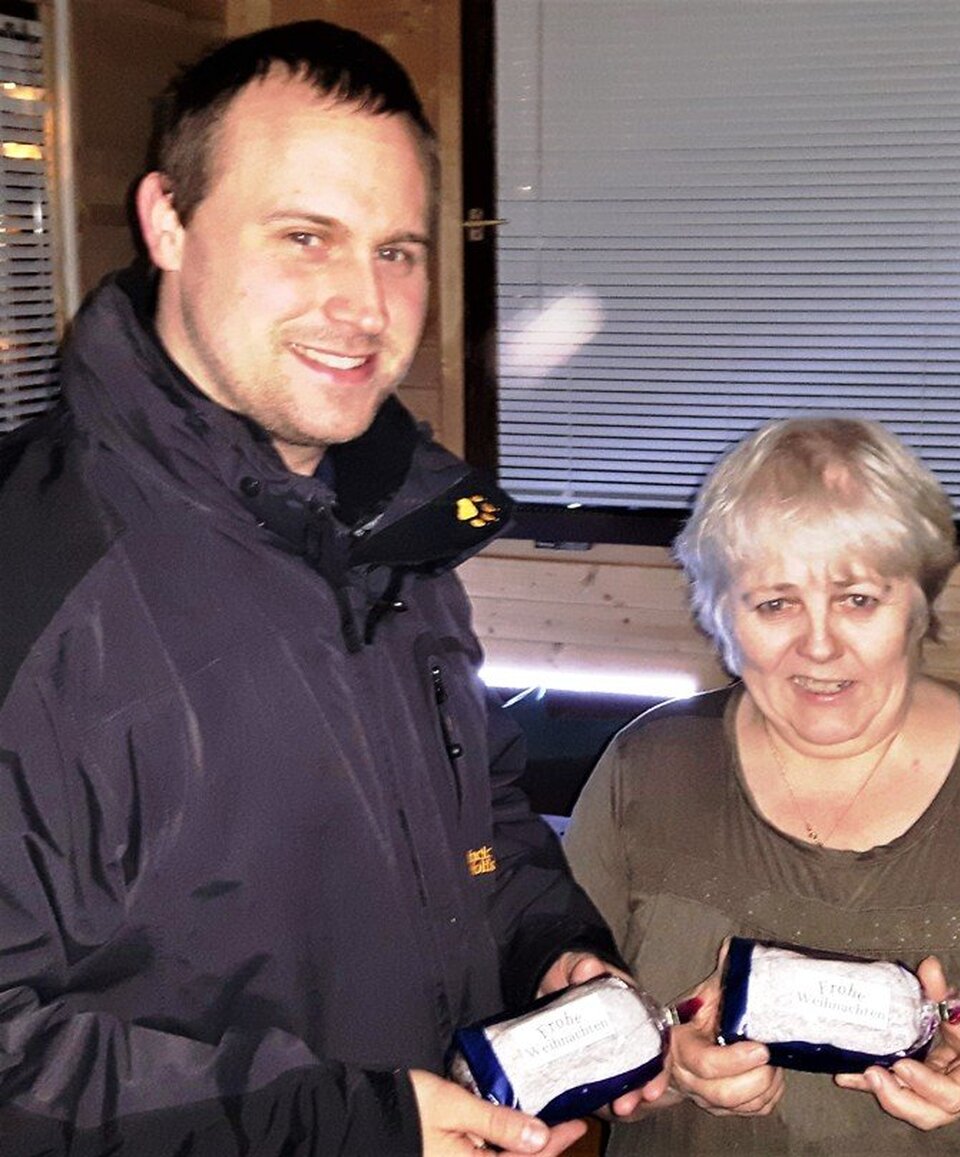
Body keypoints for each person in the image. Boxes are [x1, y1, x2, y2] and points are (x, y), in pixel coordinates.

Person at [0, 21, 658, 1156]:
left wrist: (547, 955)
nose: (363, 303)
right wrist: (360, 1125)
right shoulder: (40, 580)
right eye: (306, 236)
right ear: (167, 220)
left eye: (395, 250)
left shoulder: (390, 520)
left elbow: (477, 818)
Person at [564, 417, 960, 1154]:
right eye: (775, 603)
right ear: (720, 613)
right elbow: (568, 1031)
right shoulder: (646, 770)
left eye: (858, 600)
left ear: (919, 603)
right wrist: (668, 1067)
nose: (818, 645)